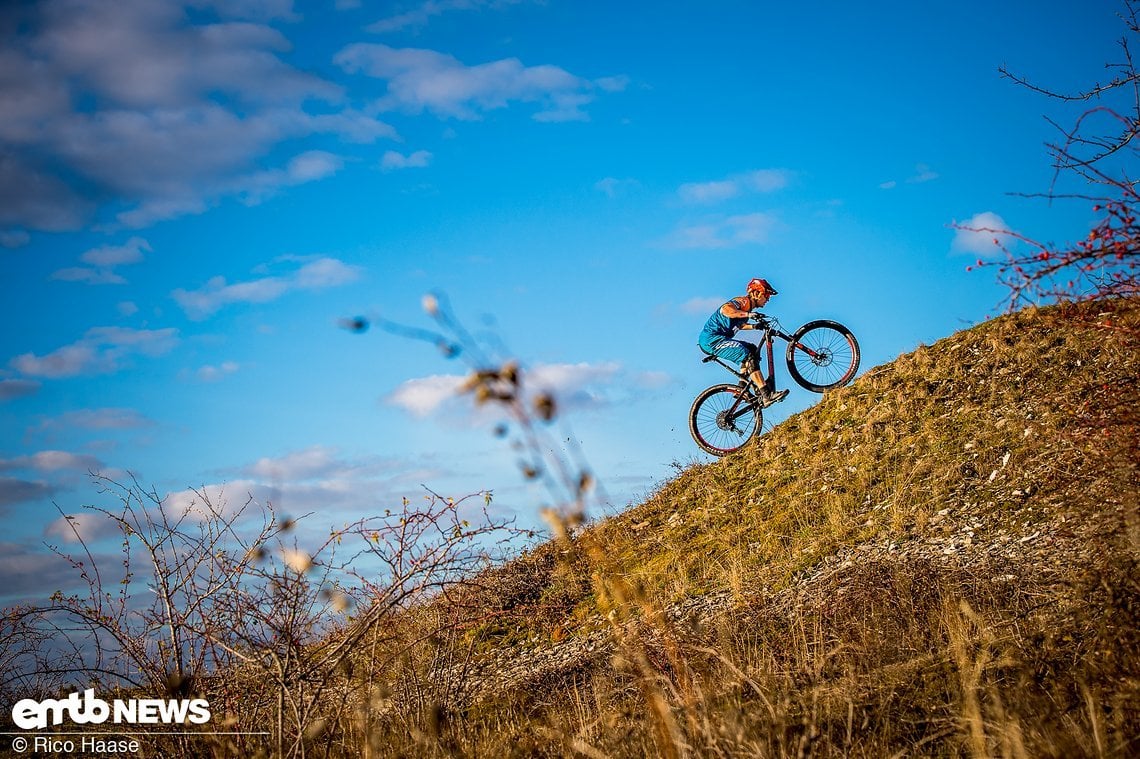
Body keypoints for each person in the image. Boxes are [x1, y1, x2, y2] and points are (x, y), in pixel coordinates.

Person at [698, 278, 789, 406]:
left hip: (718, 339)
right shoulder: (743, 301)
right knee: (748, 357)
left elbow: (739, 325)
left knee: (752, 349)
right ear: (756, 293)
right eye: (766, 295)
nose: (768, 299)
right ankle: (766, 394)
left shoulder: (747, 309)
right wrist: (749, 315)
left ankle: (741, 386)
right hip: (712, 340)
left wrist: (754, 326)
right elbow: (726, 310)